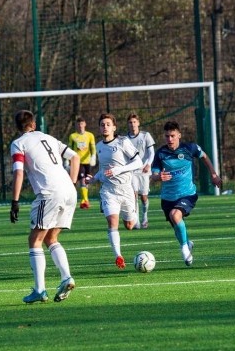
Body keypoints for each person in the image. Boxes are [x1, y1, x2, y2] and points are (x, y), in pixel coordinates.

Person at [10, 109, 81, 303]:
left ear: (18, 127)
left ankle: (40, 290)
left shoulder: (18, 143)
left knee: (35, 240)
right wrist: (72, 182)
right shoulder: (49, 138)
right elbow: (75, 157)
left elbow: (18, 173)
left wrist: (15, 201)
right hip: (69, 191)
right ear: (33, 124)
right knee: (51, 237)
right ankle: (66, 277)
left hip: (49, 193)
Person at [150, 121, 222, 266]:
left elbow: (204, 156)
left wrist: (213, 174)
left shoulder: (190, 148)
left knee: (175, 215)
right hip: (167, 198)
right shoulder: (161, 153)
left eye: (172, 136)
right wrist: (158, 177)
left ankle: (184, 249)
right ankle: (187, 243)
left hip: (187, 194)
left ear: (179, 135)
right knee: (176, 226)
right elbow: (154, 175)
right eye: (167, 136)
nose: (169, 139)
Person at [87, 113, 144, 269]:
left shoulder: (123, 142)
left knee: (130, 225)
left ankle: (134, 204)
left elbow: (138, 162)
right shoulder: (98, 147)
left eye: (107, 124)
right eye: (102, 124)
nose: (105, 127)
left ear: (114, 127)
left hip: (126, 189)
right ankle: (118, 256)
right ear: (99, 128)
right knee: (112, 222)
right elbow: (102, 170)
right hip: (109, 191)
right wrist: (94, 179)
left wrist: (120, 170)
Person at [126, 113, 155, 229]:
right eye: (130, 122)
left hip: (144, 171)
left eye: (134, 122)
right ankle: (136, 221)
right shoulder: (125, 139)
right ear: (128, 124)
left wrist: (148, 164)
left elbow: (152, 152)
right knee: (133, 196)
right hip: (132, 171)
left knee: (143, 197)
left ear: (138, 123)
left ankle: (145, 216)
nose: (132, 125)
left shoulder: (145, 136)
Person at [68, 116, 96, 209]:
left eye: (82, 123)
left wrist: (93, 156)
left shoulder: (90, 135)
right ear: (76, 125)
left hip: (88, 162)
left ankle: (85, 199)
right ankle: (85, 201)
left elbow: (92, 147)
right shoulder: (73, 136)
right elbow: (70, 149)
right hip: (78, 162)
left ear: (85, 124)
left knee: (87, 180)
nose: (80, 126)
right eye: (78, 124)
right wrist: (68, 160)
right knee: (82, 180)